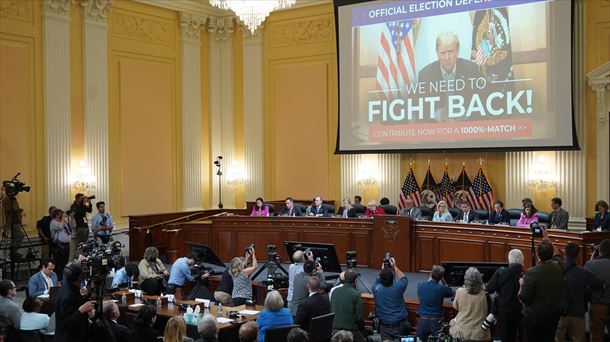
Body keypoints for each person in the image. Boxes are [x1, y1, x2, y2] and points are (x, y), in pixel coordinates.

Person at [417, 31, 482, 118]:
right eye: (443, 53)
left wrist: (464, 114)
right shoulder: (425, 75)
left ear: (458, 50)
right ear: (437, 52)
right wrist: (440, 115)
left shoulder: (472, 70)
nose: (447, 58)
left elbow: (480, 106)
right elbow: (423, 112)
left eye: (450, 52)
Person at [555, 242, 605, 342]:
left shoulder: (555, 269)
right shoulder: (583, 272)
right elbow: (601, 284)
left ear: (564, 253)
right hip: (577, 314)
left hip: (559, 314)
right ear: (578, 255)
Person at [518, 239, 565, 342]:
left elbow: (524, 298)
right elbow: (558, 256)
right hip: (553, 316)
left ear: (537, 254)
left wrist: (521, 285)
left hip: (534, 318)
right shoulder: (559, 267)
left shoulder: (531, 273)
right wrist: (546, 236)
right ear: (552, 254)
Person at [485, 249, 524, 342]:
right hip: (521, 311)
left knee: (506, 338)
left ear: (509, 260)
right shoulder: (526, 274)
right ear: (523, 260)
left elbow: (489, 289)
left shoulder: (501, 272)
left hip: (504, 311)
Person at [54, 263, 96, 341]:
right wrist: (81, 311)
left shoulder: (69, 288)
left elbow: (75, 304)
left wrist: (89, 293)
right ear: (79, 277)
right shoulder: (68, 295)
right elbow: (67, 323)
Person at [372, 257, 410, 340]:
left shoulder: (376, 289)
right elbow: (404, 278)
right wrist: (394, 266)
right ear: (392, 278)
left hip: (384, 326)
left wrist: (383, 270)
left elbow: (378, 280)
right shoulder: (398, 288)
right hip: (400, 325)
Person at [449, 267, 490, 341]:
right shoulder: (485, 294)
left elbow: (455, 307)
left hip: (461, 332)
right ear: (480, 279)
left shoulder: (459, 291)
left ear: (465, 279)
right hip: (480, 334)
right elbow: (488, 309)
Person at [416, 265, 453, 342]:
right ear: (441, 277)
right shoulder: (442, 288)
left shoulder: (421, 285)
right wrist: (444, 281)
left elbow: (423, 289)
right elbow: (450, 293)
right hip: (436, 322)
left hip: (423, 321)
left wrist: (431, 276)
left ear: (431, 274)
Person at [584, 239, 610, 342]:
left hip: (598, 305)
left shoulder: (590, 265)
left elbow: (586, 283)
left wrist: (592, 260)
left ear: (599, 251)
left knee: (596, 336)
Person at [330, 269, 364, 342]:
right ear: (355, 280)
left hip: (334, 330)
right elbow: (360, 317)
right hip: (351, 330)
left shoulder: (334, 291)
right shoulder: (356, 294)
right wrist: (361, 329)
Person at [1, 188, 25, 258]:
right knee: (20, 236)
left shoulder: (13, 199)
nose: (15, 192)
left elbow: (14, 208)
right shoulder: (6, 199)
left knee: (17, 237)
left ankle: (13, 251)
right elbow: (9, 209)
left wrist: (19, 211)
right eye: (13, 191)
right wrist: (19, 210)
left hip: (16, 221)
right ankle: (13, 251)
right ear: (8, 191)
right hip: (12, 221)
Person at [49, 209, 71, 282]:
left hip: (66, 245)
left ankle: (64, 278)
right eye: (60, 214)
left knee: (65, 262)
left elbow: (72, 226)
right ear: (56, 215)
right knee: (59, 263)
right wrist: (63, 218)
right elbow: (60, 227)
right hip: (59, 245)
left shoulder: (64, 221)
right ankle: (58, 279)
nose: (62, 215)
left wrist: (72, 217)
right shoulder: (53, 222)